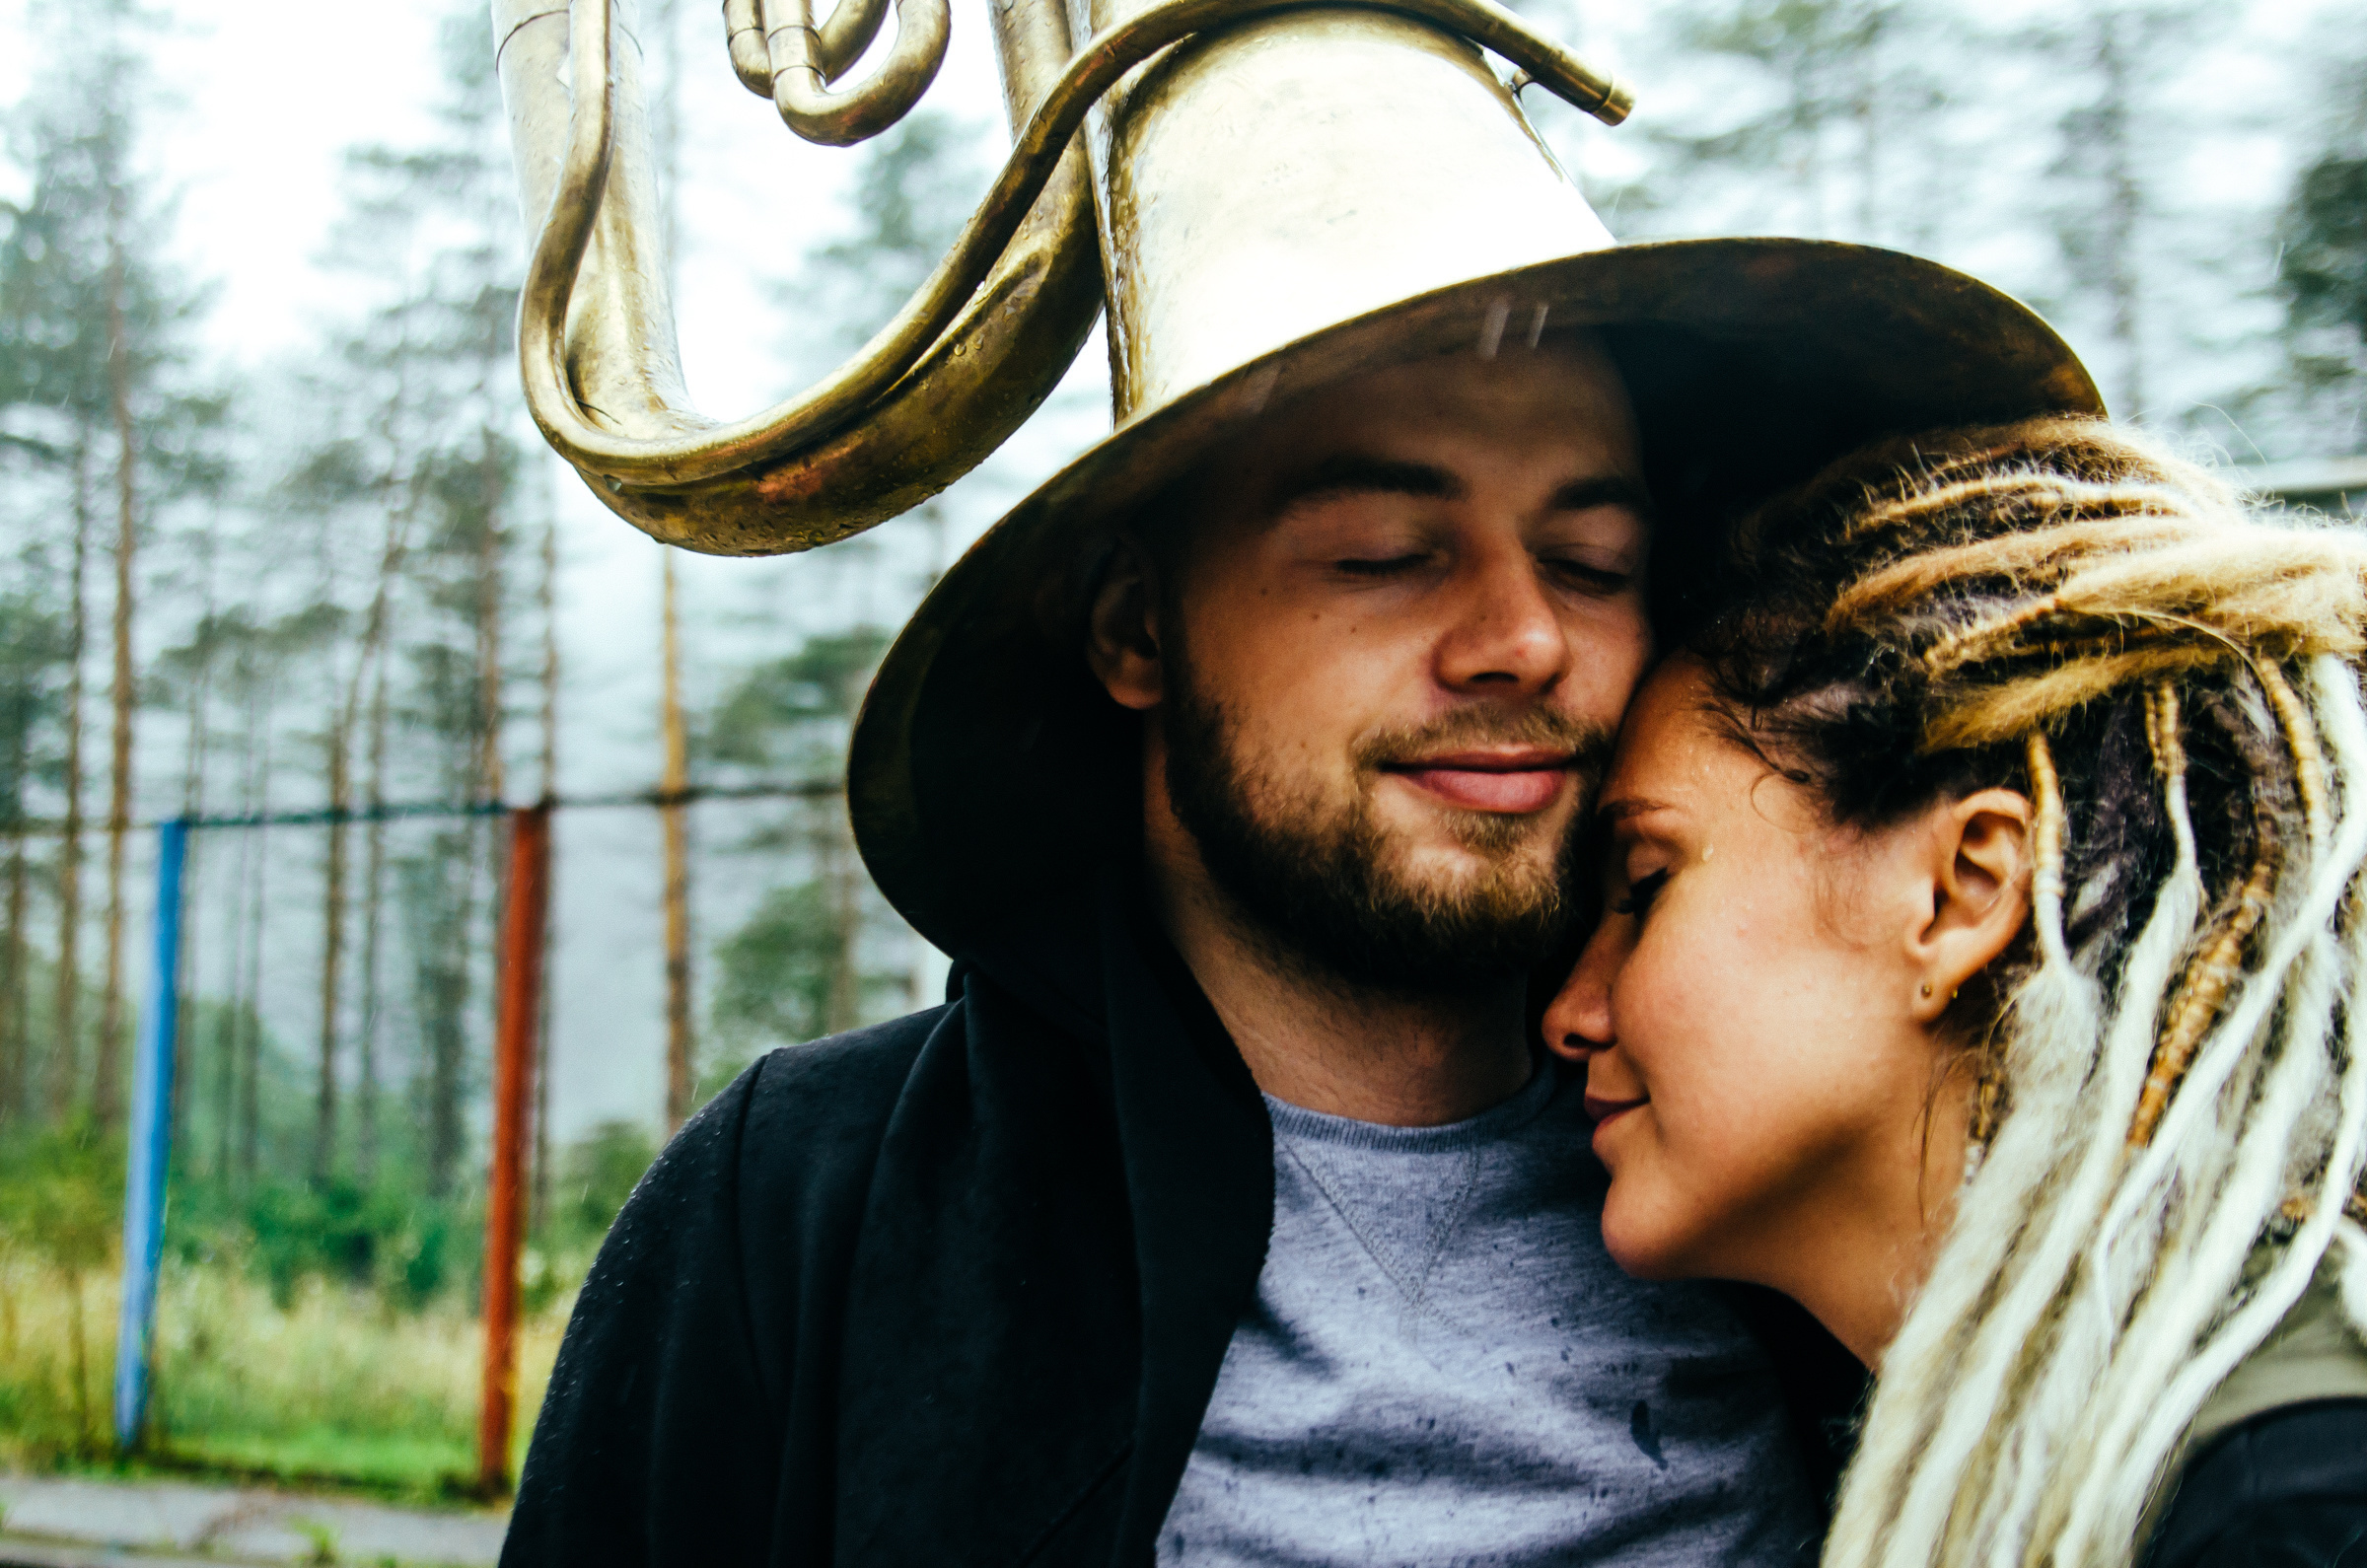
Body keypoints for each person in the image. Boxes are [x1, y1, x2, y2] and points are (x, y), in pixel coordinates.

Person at [499, 7, 2106, 1561]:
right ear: (1137, 627)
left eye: (1593, 561)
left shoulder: (1815, 1173)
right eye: (1386, 554)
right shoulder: (811, 1212)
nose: (1523, 639)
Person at [1546, 417, 2367, 1568]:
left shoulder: (2299, 1499)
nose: (1569, 1013)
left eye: (1645, 886)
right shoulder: (2064, 1429)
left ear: (1961, 893)